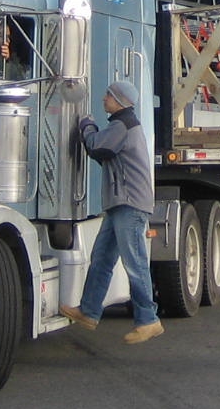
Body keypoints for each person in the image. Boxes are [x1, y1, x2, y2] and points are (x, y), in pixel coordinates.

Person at [60, 80, 164, 344]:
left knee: (135, 262)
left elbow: (98, 147)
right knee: (102, 258)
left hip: (129, 203)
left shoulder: (122, 124)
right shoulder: (123, 123)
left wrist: (86, 125)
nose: (104, 98)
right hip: (120, 202)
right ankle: (89, 311)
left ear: (119, 99)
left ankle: (148, 320)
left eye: (108, 94)